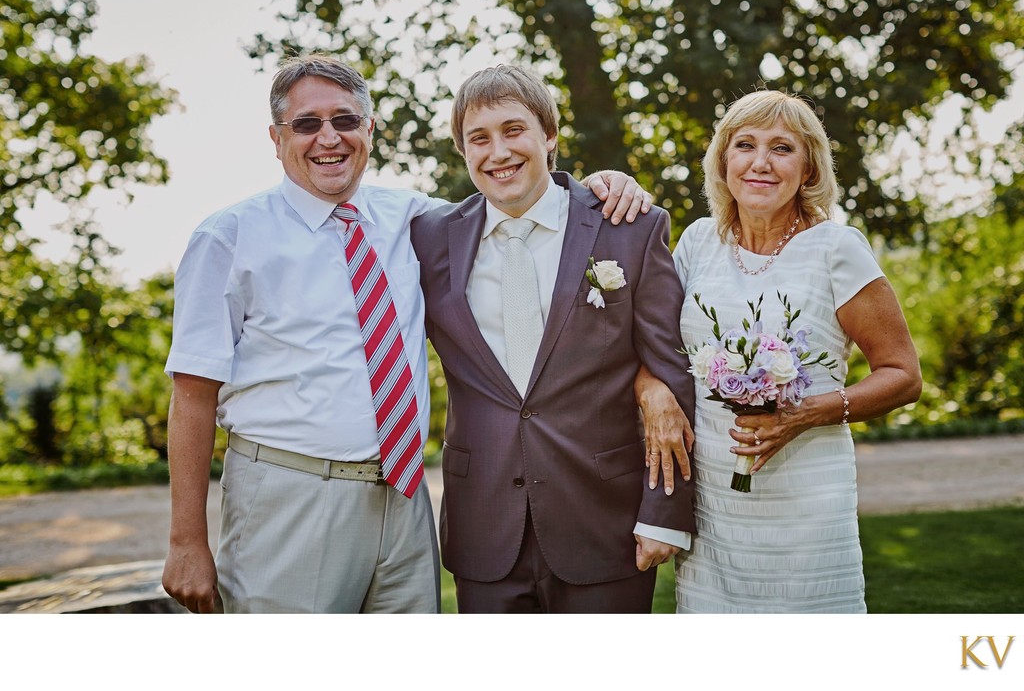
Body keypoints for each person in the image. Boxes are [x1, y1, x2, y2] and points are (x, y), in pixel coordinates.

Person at [160, 53, 653, 614]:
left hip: (404, 498)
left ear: (369, 130)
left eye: (345, 120)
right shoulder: (228, 237)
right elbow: (192, 394)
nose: (329, 138)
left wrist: (599, 188)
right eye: (307, 124)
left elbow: (518, 200)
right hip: (291, 494)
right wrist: (186, 541)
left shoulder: (416, 220)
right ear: (276, 139)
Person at [410, 65, 697, 613]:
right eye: (479, 138)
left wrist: (665, 512)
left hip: (603, 520)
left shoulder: (627, 226)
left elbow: (670, 371)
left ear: (549, 135)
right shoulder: (428, 238)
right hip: (483, 523)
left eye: (513, 130)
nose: (498, 151)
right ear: (462, 152)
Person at [667, 89, 921, 612]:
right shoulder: (696, 243)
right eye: (745, 145)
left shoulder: (836, 248)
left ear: (807, 169)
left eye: (781, 148)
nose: (760, 162)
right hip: (714, 501)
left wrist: (803, 415)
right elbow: (655, 348)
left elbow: (902, 373)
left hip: (807, 500)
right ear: (724, 160)